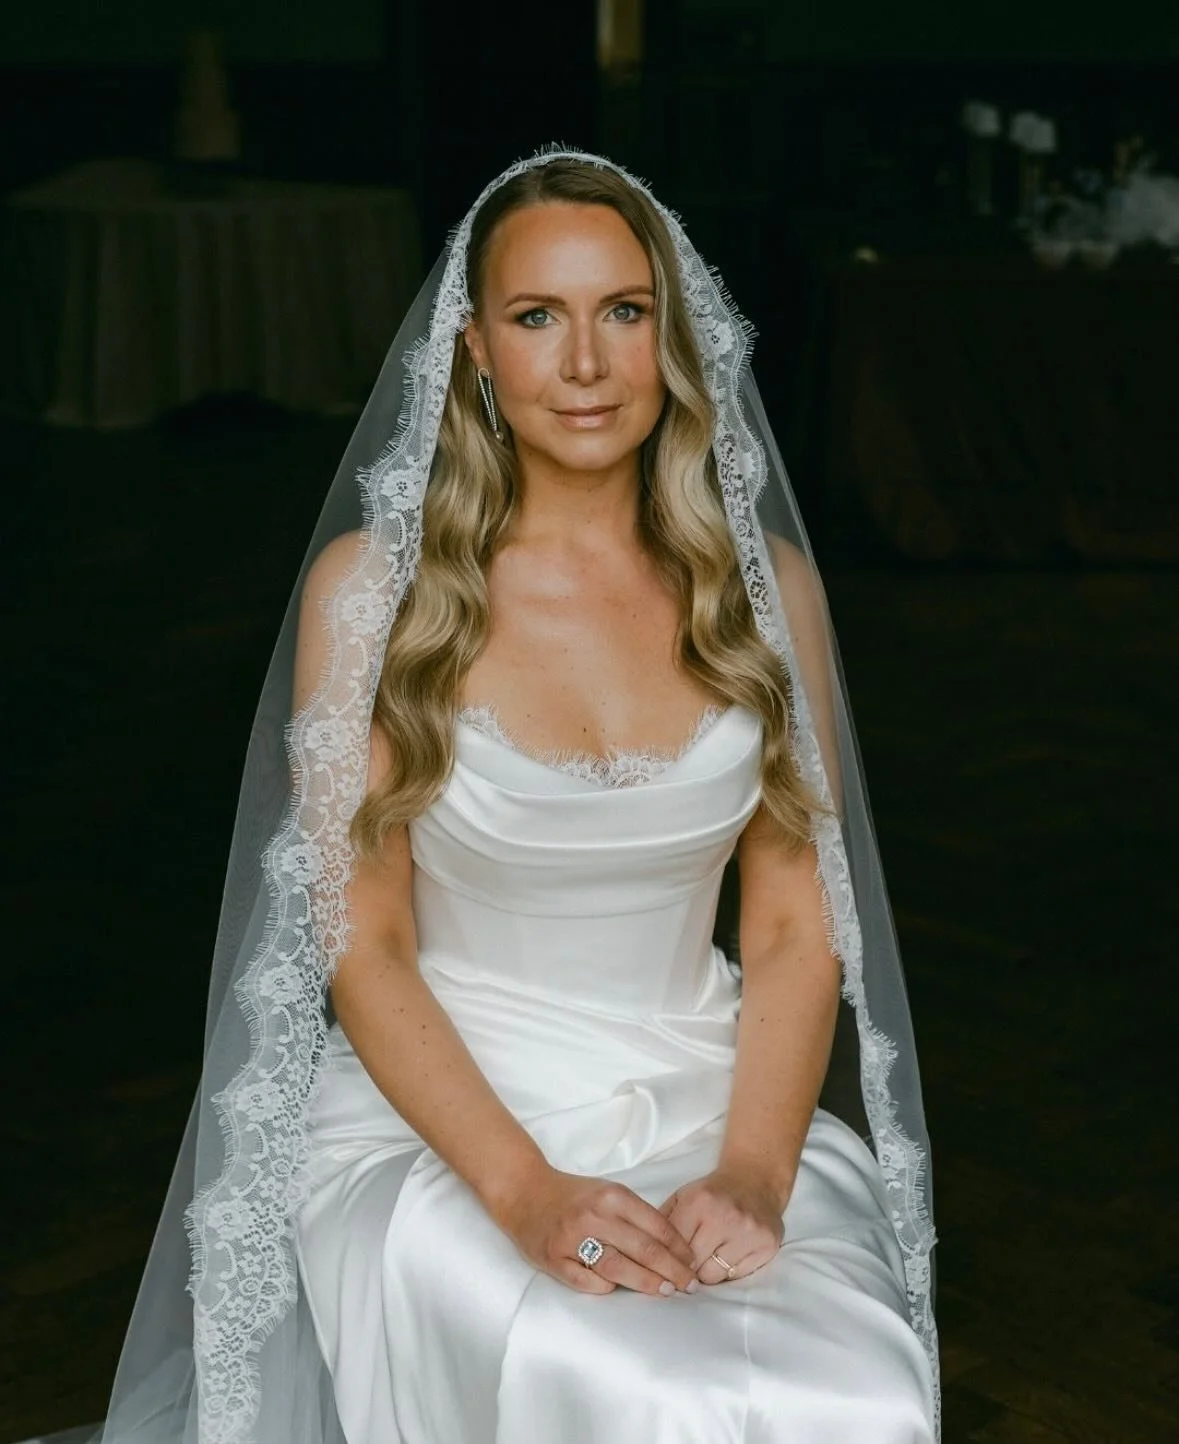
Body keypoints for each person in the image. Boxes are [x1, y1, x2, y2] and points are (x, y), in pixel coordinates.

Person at [28, 150, 938, 1444]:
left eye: (623, 312)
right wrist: (525, 1196)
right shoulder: (376, 593)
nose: (583, 363)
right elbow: (366, 942)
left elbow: (793, 920)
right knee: (628, 1385)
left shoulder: (766, 588)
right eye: (535, 317)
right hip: (448, 1124)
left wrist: (752, 1171)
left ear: (672, 339)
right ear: (470, 351)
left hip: (710, 1098)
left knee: (852, 1391)